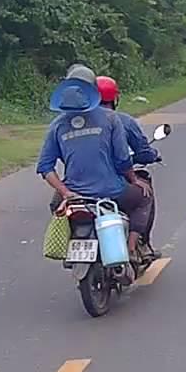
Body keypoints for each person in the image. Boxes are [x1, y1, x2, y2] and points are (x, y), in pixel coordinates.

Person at [37, 64, 153, 263]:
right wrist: (134, 179)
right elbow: (122, 159)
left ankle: (70, 243)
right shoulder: (111, 118)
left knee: (56, 205)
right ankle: (132, 247)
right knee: (144, 197)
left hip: (74, 196)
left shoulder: (57, 125)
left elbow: (45, 167)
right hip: (111, 191)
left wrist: (65, 192)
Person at [94, 75, 160, 257]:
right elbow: (126, 158)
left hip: (76, 187)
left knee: (58, 204)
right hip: (113, 184)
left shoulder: (74, 122)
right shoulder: (121, 121)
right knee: (144, 194)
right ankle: (138, 246)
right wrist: (151, 157)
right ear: (115, 98)